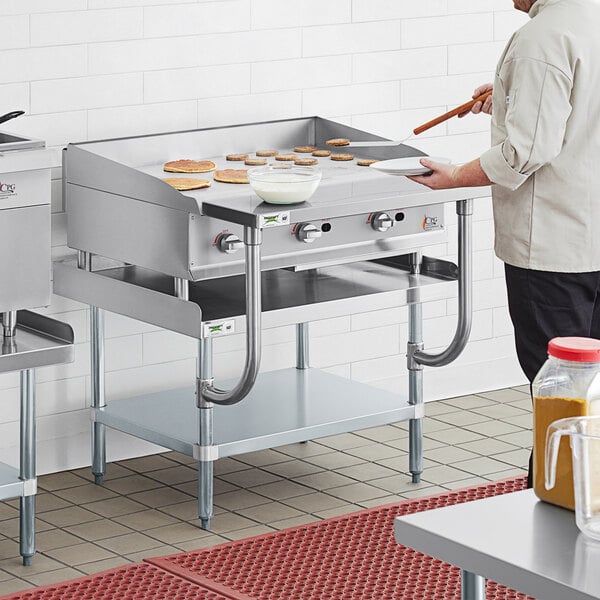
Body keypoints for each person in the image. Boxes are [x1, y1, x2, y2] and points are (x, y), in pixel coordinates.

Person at [408, 0, 600, 486]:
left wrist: (456, 176)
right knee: (595, 388)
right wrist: (519, 93)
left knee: (560, 389)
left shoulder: (542, 39)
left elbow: (526, 151)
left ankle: (559, 507)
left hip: (554, 247)